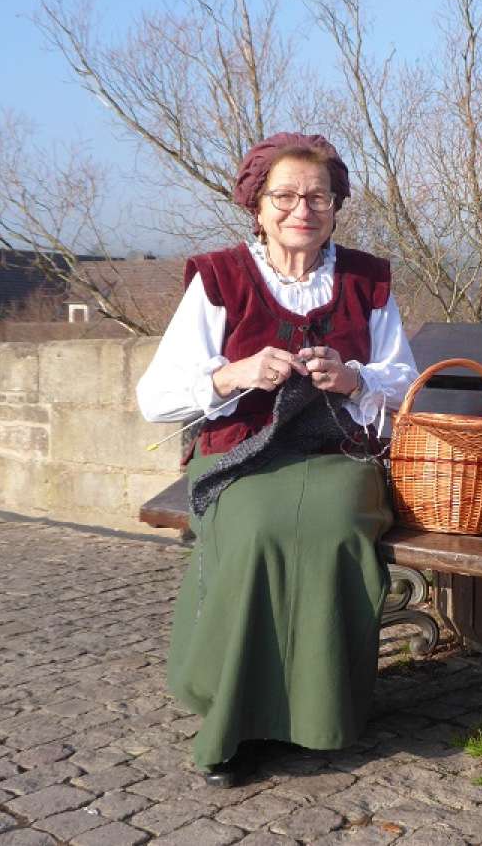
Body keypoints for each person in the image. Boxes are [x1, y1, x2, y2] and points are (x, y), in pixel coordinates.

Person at [137, 132, 417, 787]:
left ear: (336, 205)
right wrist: (232, 375)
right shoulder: (220, 278)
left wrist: (352, 377)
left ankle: (318, 712)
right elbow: (155, 396)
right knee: (259, 529)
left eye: (318, 196)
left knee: (331, 526)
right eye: (284, 196)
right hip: (238, 458)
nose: (302, 210)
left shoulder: (365, 280)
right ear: (257, 206)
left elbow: (405, 377)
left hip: (337, 455)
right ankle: (238, 718)